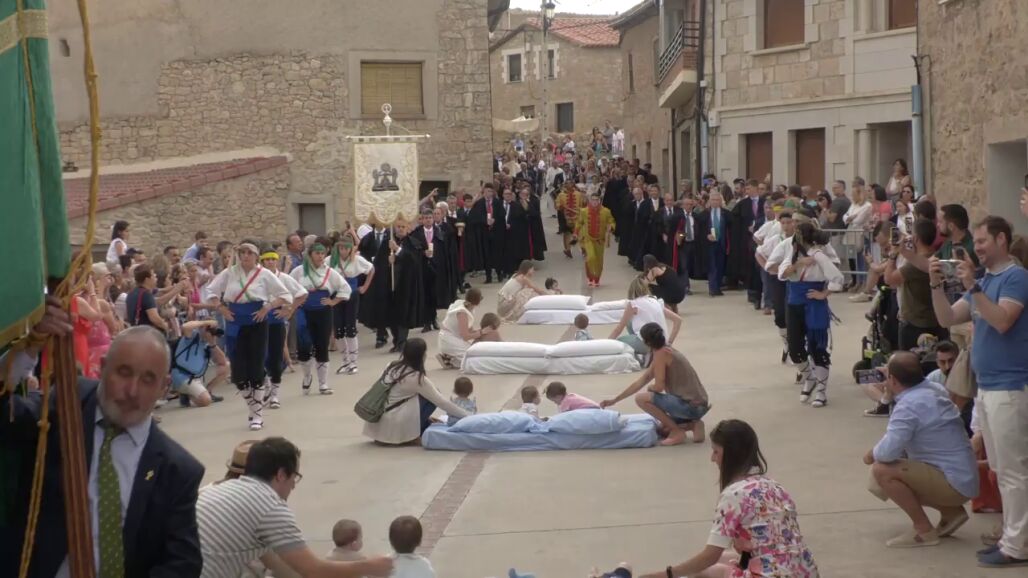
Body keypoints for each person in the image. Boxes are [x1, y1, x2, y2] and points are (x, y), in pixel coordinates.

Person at [1, 321, 205, 578]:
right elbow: (6, 415)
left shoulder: (177, 471)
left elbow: (183, 563)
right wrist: (30, 347)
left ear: (164, 386)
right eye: (124, 372)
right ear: (103, 366)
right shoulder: (65, 405)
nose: (132, 391)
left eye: (148, 379)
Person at [929, 216, 1028, 568]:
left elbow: (1002, 320)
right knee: (1001, 468)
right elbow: (947, 319)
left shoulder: (1016, 278)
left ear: (1002, 239)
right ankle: (1012, 537)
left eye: (983, 241)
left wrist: (973, 287)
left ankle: (1017, 545)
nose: (977, 248)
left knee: (1014, 470)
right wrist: (936, 286)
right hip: (987, 388)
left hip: (1010, 387)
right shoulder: (985, 282)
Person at [635, 420, 818, 578]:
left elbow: (710, 556)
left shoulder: (734, 495)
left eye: (716, 452)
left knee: (710, 571)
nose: (712, 459)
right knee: (726, 557)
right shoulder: (776, 487)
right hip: (804, 571)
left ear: (731, 454)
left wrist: (668, 574)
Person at [196, 437, 392, 577]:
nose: (294, 486)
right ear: (281, 474)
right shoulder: (269, 506)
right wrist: (368, 566)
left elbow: (279, 565)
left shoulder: (220, 490)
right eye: (294, 477)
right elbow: (312, 570)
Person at [863, 352, 978, 548]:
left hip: (953, 482)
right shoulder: (934, 389)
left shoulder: (909, 405)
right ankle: (951, 513)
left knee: (881, 471)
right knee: (889, 468)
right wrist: (890, 392)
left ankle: (923, 531)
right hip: (964, 478)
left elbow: (886, 453)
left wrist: (870, 454)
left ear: (892, 379)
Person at [204, 241, 292, 431]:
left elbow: (285, 295)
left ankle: (257, 415)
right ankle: (253, 406)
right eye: (242, 252)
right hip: (234, 322)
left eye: (249, 253)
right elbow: (210, 291)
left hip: (257, 322)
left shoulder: (264, 274)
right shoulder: (229, 273)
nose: (245, 256)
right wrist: (221, 308)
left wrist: (267, 307)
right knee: (238, 372)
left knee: (256, 367)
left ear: (256, 255)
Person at [601, 323, 709, 446]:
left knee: (641, 399)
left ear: (646, 342)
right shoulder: (665, 350)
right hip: (699, 405)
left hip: (690, 406)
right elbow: (642, 380)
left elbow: (659, 386)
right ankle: (694, 424)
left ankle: (677, 431)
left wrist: (650, 388)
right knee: (662, 430)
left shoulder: (661, 354)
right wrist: (615, 400)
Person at [778, 222, 845, 408]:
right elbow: (782, 274)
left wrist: (824, 294)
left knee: (817, 348)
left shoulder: (818, 254)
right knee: (794, 348)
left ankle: (821, 391)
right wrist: (799, 263)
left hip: (813, 304)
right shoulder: (793, 252)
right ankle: (809, 377)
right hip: (794, 303)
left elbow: (837, 277)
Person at [363, 339, 472, 445]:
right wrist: (468, 417)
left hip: (378, 420)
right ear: (422, 356)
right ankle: (413, 434)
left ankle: (421, 423)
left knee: (414, 396)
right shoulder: (416, 378)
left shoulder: (391, 365)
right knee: (430, 398)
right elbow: (442, 402)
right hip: (395, 423)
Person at [290, 240, 349, 396]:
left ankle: (323, 383)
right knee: (304, 346)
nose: (321, 256)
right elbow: (288, 288)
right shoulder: (298, 271)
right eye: (317, 253)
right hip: (303, 311)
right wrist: (294, 304)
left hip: (323, 311)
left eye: (323, 253)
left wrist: (333, 301)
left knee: (322, 345)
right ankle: (307, 376)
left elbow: (345, 287)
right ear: (310, 255)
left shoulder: (330, 272)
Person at [884, 219, 949, 349]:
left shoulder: (914, 266)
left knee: (909, 359)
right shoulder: (936, 258)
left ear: (916, 238)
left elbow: (889, 279)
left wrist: (893, 254)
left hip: (915, 324)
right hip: (935, 320)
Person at [260, 250, 307, 409]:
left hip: (276, 320)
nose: (270, 262)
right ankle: (266, 387)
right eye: (267, 259)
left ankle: (274, 395)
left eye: (272, 259)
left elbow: (302, 293)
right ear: (262, 262)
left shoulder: (284, 278)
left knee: (276, 357)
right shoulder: (258, 277)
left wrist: (290, 309)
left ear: (277, 261)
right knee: (261, 356)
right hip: (258, 320)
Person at [608, 277, 683, 357]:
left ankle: (640, 352)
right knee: (630, 322)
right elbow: (678, 320)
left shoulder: (633, 304)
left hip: (646, 343)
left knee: (618, 341)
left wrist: (606, 343)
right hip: (661, 341)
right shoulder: (655, 301)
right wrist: (669, 343)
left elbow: (618, 329)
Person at [331, 238, 374, 374]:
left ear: (350, 249)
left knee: (350, 327)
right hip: (336, 294)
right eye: (341, 248)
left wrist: (365, 287)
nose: (343, 251)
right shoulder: (330, 260)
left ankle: (353, 362)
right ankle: (345, 361)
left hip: (351, 294)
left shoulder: (357, 260)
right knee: (338, 328)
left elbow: (371, 269)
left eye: (346, 248)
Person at [436, 288, 491, 369]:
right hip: (448, 339)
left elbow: (470, 330)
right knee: (471, 358)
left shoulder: (468, 307)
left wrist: (481, 332)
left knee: (475, 351)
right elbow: (466, 336)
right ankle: (448, 359)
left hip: (453, 336)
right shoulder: (462, 312)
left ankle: (448, 357)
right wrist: (481, 332)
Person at [575, 192, 616, 287]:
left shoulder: (606, 211)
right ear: (590, 200)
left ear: (599, 201)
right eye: (592, 200)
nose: (594, 202)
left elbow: (612, 221)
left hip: (600, 241)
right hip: (588, 239)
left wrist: (611, 227)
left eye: (596, 200)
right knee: (590, 258)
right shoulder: (584, 211)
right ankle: (590, 277)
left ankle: (597, 279)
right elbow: (579, 222)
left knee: (599, 260)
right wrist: (575, 233)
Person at [843, 179, 873, 289]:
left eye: (854, 194)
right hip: (851, 233)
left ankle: (864, 282)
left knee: (862, 259)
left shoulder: (867, 205)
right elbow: (845, 216)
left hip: (861, 234)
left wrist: (851, 218)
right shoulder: (853, 205)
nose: (852, 197)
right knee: (853, 259)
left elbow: (859, 220)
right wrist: (850, 218)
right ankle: (857, 281)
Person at [706, 191, 731, 296]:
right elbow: (700, 229)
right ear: (710, 201)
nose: (715, 202)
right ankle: (712, 288)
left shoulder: (726, 214)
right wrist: (706, 235)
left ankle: (717, 287)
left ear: (720, 201)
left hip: (722, 243)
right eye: (713, 200)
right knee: (712, 266)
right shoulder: (705, 214)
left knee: (720, 265)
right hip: (710, 244)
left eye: (717, 200)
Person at [556, 181, 585, 259]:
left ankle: (584, 249)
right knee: (567, 233)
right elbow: (557, 205)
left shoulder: (578, 194)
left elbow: (582, 205)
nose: (568, 185)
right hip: (566, 218)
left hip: (577, 217)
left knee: (580, 233)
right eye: (566, 183)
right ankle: (568, 250)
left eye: (570, 183)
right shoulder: (561, 195)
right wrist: (560, 206)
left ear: (573, 184)